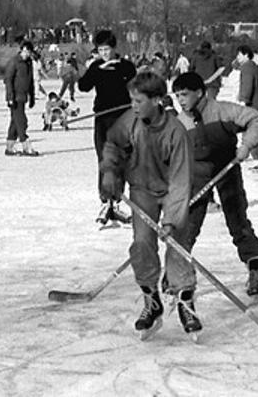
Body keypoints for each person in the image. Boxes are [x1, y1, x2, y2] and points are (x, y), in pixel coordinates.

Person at [99, 71, 195, 339]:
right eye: (132, 100)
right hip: (141, 189)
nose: (133, 106)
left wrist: (171, 219)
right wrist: (109, 172)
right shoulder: (131, 121)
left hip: (171, 191)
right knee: (142, 244)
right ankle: (151, 301)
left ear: (157, 100)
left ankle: (185, 300)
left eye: (139, 101)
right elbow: (112, 145)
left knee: (177, 241)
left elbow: (180, 180)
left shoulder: (177, 132)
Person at [172, 71, 258, 297]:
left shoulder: (223, 110)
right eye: (178, 96)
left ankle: (256, 269)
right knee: (187, 227)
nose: (181, 100)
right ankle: (176, 275)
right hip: (197, 176)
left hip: (227, 170)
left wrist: (245, 147)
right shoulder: (180, 122)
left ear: (199, 92)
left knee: (238, 223)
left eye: (185, 95)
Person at [78, 30, 137, 221]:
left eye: (107, 49)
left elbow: (134, 77)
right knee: (104, 159)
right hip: (103, 119)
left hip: (122, 119)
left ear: (114, 49)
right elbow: (83, 86)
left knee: (120, 159)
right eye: (101, 50)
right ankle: (105, 202)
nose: (104, 53)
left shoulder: (124, 66)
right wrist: (96, 69)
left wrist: (117, 67)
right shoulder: (97, 67)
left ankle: (117, 201)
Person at [234, 45, 258, 169]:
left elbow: (247, 85)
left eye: (239, 55)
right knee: (255, 130)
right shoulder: (252, 66)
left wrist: (244, 100)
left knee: (252, 131)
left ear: (245, 55)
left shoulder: (247, 67)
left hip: (254, 104)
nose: (237, 58)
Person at [3, 41, 38, 156]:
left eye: (29, 52)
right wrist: (10, 97)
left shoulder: (29, 63)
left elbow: (30, 81)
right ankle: (26, 145)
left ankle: (9, 147)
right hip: (15, 97)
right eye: (26, 51)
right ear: (21, 50)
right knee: (22, 121)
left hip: (23, 97)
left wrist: (32, 96)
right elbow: (8, 79)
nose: (27, 54)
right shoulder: (14, 62)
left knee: (15, 122)